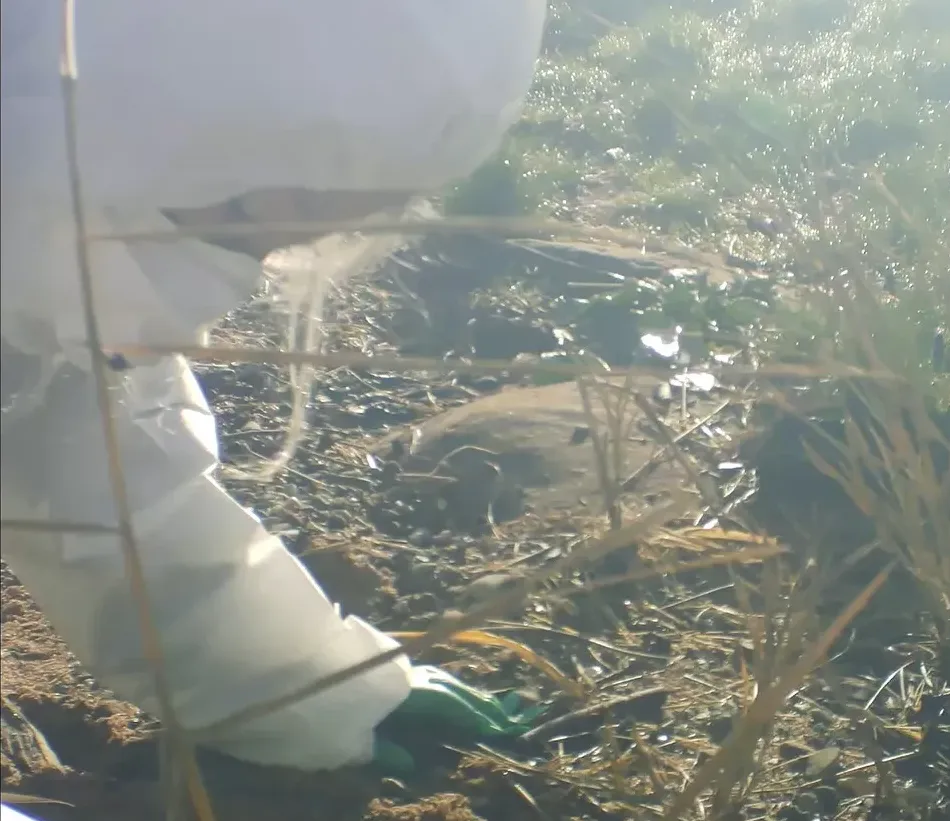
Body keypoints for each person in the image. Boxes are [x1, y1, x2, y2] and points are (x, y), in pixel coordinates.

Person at [0, 0, 551, 790]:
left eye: (271, 244)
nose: (211, 280)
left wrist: (302, 689)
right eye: (233, 213)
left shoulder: (43, 213)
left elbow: (87, 471)